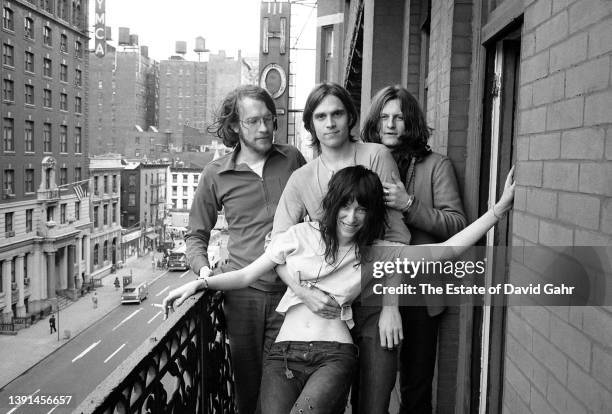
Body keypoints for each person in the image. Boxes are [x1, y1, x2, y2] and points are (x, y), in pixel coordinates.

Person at [164, 165, 515, 414]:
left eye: (362, 208)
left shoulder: (375, 252)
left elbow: (446, 250)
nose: (352, 216)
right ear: (334, 204)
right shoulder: (298, 236)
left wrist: (497, 211)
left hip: (333, 356)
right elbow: (244, 276)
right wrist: (200, 283)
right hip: (282, 354)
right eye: (346, 205)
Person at [272, 82, 410, 413]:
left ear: (350, 117)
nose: (330, 123)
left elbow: (397, 237)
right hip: (327, 312)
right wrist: (303, 292)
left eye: (337, 114)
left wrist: (392, 306)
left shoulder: (377, 156)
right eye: (321, 116)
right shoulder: (303, 179)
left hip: (375, 301)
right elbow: (276, 248)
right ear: (310, 124)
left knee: (374, 403)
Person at [186, 85, 306, 414]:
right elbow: (195, 234)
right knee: (248, 393)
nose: (265, 128)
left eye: (269, 119)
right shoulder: (215, 174)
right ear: (236, 126)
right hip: (243, 298)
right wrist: (205, 271)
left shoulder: (292, 159)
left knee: (285, 392)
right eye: (254, 121)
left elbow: (316, 213)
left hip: (292, 294)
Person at [362, 85, 467, 413]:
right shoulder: (365, 163)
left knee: (416, 386)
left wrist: (410, 204)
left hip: (420, 294)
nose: (391, 124)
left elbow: (456, 225)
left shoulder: (436, 165)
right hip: (372, 288)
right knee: (369, 384)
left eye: (399, 118)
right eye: (384, 117)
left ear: (412, 123)